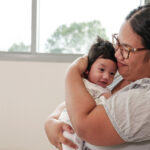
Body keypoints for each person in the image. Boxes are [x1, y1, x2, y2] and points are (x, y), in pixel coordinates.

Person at [45, 4, 150, 150]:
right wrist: (52, 121)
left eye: (126, 49)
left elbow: (85, 126)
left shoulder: (145, 96)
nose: (117, 54)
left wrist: (72, 72)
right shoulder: (120, 74)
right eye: (117, 43)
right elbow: (73, 102)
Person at [59, 36, 117, 150]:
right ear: (87, 69)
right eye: (101, 70)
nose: (106, 76)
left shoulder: (106, 91)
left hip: (87, 129)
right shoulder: (80, 82)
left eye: (112, 73)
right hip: (69, 124)